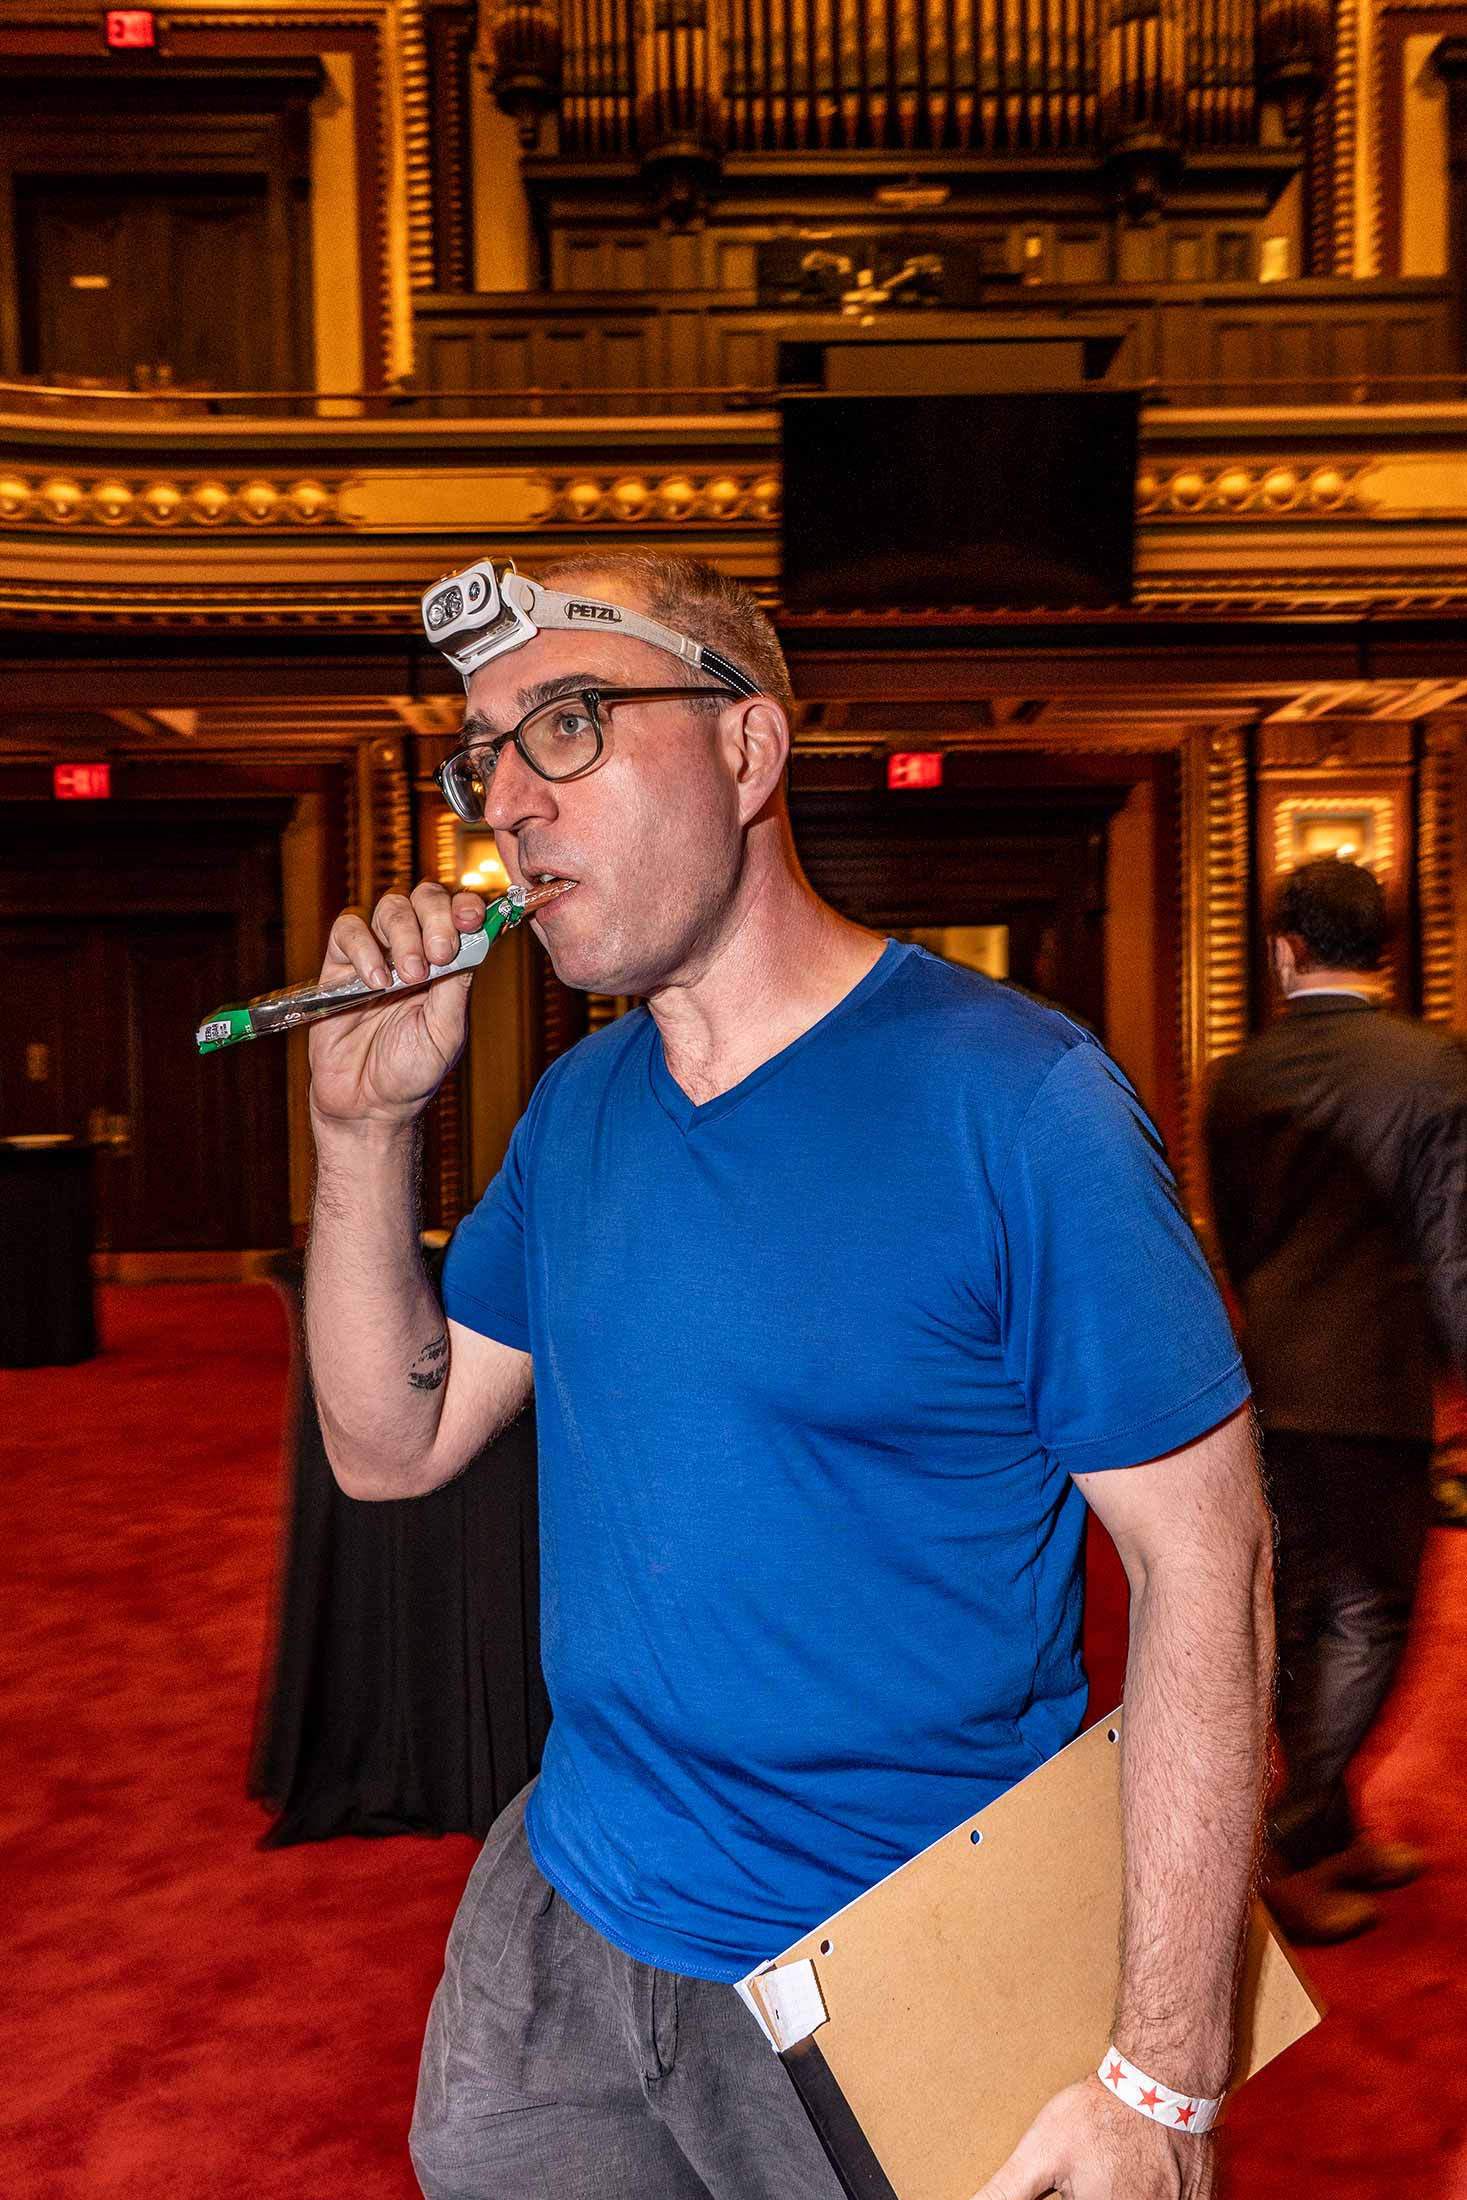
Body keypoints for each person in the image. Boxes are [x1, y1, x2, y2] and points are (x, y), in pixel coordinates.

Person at [305, 551, 1272, 2200]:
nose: (510, 805)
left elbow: (1208, 1562)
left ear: (748, 749)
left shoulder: (1014, 1103)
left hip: (903, 1954)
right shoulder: (578, 1109)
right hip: (570, 1909)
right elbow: (387, 1447)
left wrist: (1165, 2076)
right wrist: (360, 1132)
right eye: (483, 757)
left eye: (569, 725)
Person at [1206, 856, 1467, 1945]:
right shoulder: (1430, 1066)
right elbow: (1452, 1251)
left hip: (1271, 1381)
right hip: (1374, 1390)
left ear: (1284, 950)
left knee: (1307, 1609)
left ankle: (1333, 1826)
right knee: (1371, 1618)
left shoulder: (1239, 1076)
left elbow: (1238, 1235)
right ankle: (1291, 1840)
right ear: (1387, 949)